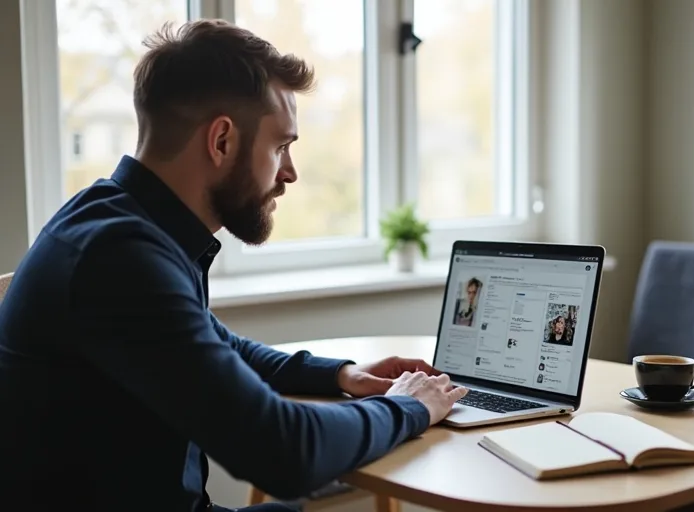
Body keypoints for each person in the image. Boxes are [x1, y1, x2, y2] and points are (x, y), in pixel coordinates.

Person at [0, 19, 467, 512]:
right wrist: (408, 407)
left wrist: (341, 376)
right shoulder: (119, 258)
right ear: (221, 141)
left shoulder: (116, 219)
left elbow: (217, 344)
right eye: (280, 146)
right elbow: (286, 452)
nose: (289, 173)